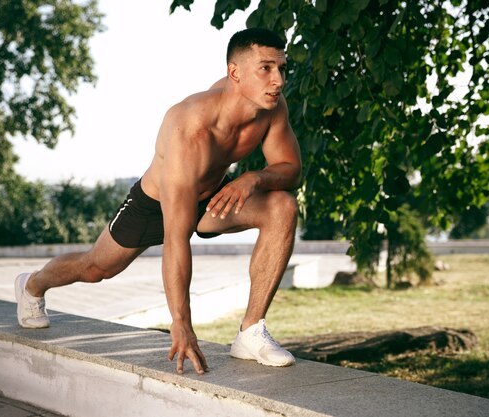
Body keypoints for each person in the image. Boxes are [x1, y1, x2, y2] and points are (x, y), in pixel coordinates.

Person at [15, 28, 302, 375]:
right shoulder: (188, 126)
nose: (279, 81)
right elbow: (175, 239)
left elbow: (290, 169)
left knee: (282, 206)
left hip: (214, 196)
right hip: (153, 204)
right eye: (266, 68)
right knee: (96, 268)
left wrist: (253, 177)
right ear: (235, 72)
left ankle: (250, 332)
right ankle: (32, 284)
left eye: (282, 69)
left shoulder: (270, 107)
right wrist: (181, 324)